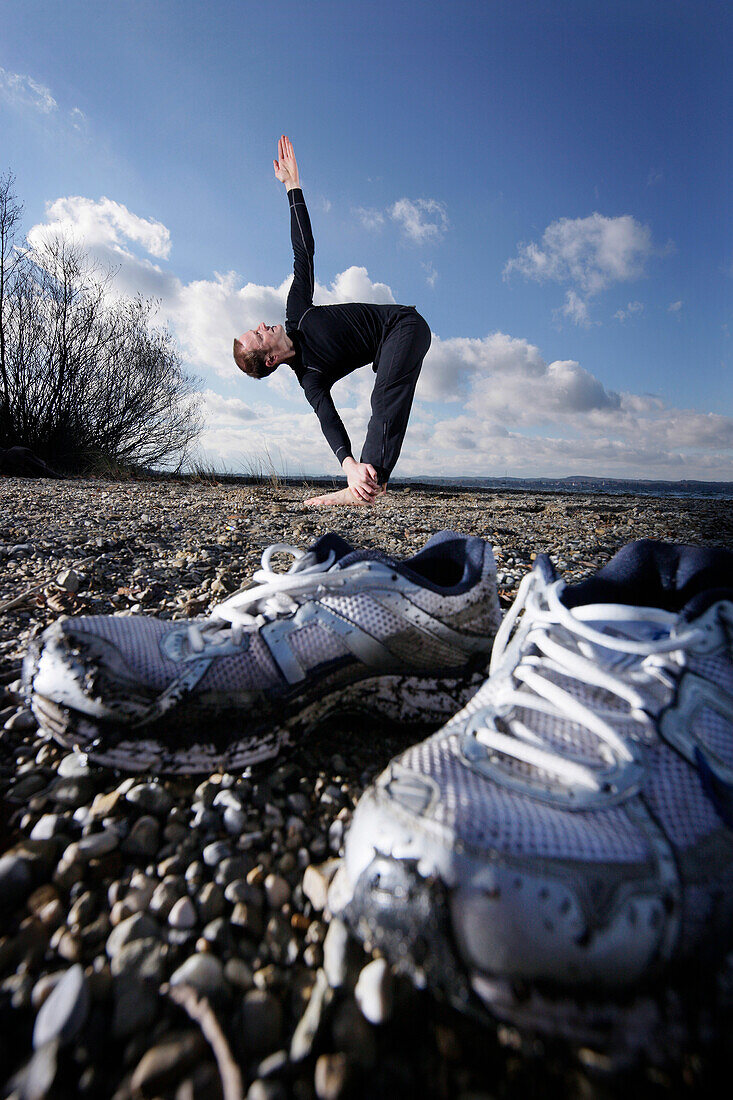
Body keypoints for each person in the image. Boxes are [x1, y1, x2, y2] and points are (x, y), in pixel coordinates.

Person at [233, 136, 431, 507]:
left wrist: (293, 188)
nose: (261, 324)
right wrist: (349, 464)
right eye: (257, 335)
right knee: (385, 392)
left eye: (256, 327)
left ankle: (367, 486)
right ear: (270, 359)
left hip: (404, 325)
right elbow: (330, 421)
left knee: (385, 393)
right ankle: (365, 484)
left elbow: (303, 252)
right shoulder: (310, 377)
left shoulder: (298, 312)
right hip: (390, 348)